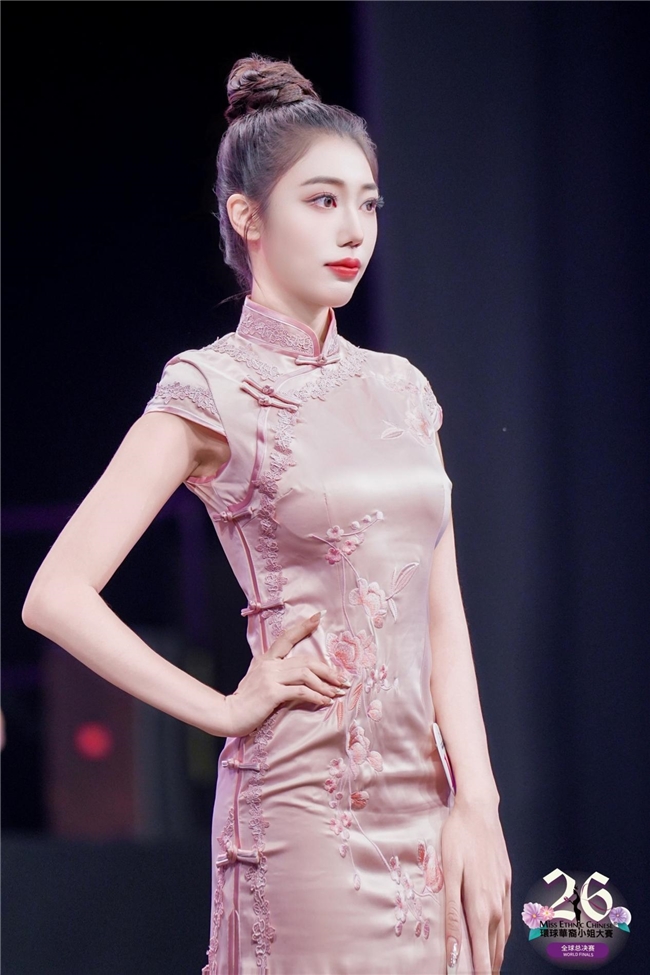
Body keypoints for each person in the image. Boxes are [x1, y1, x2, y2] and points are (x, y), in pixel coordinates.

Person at [22, 53, 511, 975]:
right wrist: (221, 709)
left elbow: (442, 614)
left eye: (368, 202)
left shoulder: (403, 390)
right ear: (248, 218)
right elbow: (56, 593)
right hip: (303, 812)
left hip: (432, 807)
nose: (354, 229)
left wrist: (478, 803)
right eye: (321, 200)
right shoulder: (212, 388)